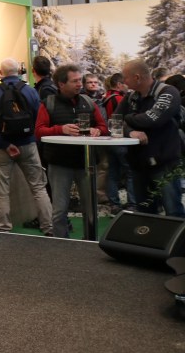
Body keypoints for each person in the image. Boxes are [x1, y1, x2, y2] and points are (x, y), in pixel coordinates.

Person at [34, 64, 108, 238]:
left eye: (79, 80)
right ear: (61, 83)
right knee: (59, 210)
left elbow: (103, 126)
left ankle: (90, 242)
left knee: (89, 208)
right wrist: (61, 129)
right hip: (60, 163)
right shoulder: (48, 103)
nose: (79, 84)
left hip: (86, 162)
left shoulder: (88, 102)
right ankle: (62, 247)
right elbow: (38, 131)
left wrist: (97, 131)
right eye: (74, 81)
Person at [0, 58, 53, 235]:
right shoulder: (30, 90)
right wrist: (32, 139)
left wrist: (5, 144)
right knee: (38, 187)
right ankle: (48, 228)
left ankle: (4, 229)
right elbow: (39, 118)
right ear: (19, 71)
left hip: (3, 148)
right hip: (28, 144)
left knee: (2, 191)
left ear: (1, 72)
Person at [115, 59, 185, 218]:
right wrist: (130, 132)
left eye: (125, 78)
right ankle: (149, 243)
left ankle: (178, 244)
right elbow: (114, 121)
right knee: (145, 213)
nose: (123, 82)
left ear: (137, 77)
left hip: (165, 163)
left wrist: (129, 118)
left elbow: (153, 119)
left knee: (173, 211)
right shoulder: (131, 96)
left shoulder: (168, 92)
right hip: (139, 163)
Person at [101, 73, 135, 213]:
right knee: (130, 172)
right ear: (120, 84)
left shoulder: (106, 97)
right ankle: (133, 203)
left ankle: (114, 203)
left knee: (113, 172)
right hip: (121, 138)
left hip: (110, 138)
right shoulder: (121, 99)